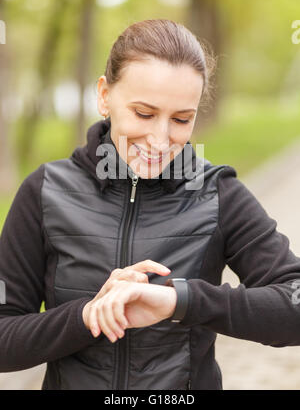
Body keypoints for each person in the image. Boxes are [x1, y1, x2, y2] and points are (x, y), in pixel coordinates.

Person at [1, 19, 300, 391]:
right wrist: (88, 316)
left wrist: (182, 300)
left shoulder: (219, 194)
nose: (160, 139)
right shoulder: (44, 192)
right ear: (104, 96)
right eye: (144, 113)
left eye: (181, 119)